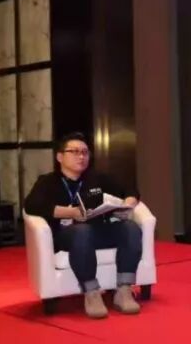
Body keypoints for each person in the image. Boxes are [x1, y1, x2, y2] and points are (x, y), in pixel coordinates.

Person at [23, 132, 143, 319]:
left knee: (131, 228)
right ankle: (91, 292)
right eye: (75, 152)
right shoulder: (48, 181)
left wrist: (128, 203)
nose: (81, 156)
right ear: (60, 157)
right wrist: (69, 212)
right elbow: (31, 205)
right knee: (82, 231)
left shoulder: (97, 178)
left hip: (98, 230)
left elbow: (130, 189)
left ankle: (124, 289)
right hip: (67, 235)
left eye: (85, 152)